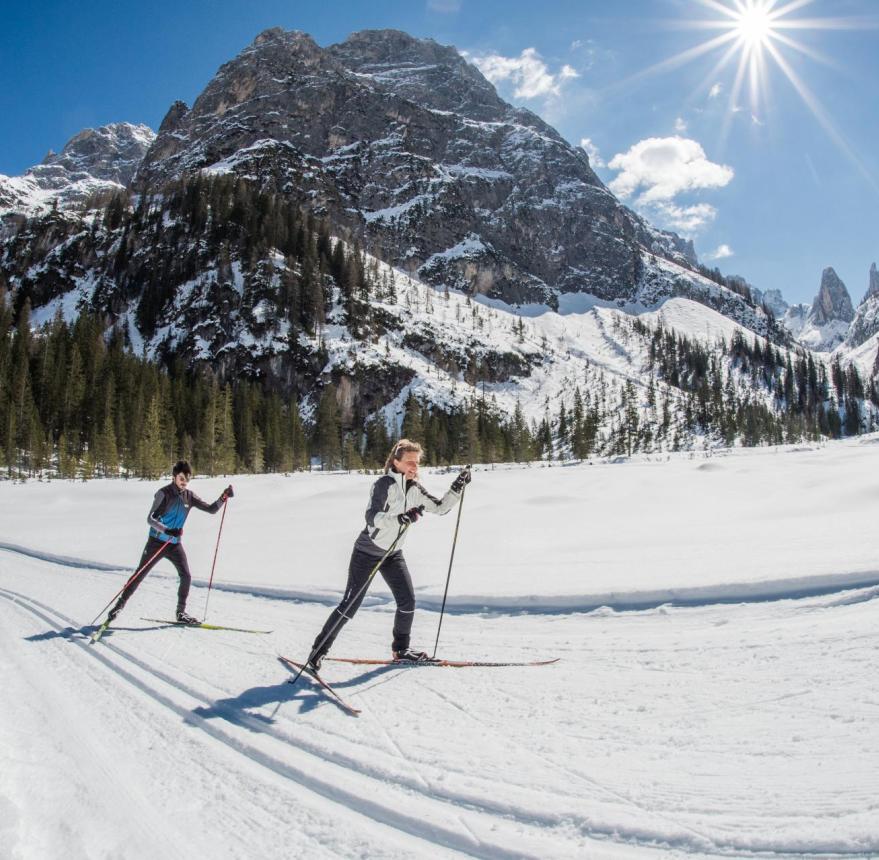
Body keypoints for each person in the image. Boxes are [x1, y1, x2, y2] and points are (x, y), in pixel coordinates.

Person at [308, 439, 471, 669]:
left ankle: (401, 649)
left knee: (407, 601)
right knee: (350, 605)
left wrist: (458, 486)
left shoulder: (415, 489)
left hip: (393, 553)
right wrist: (399, 518)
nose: (414, 467)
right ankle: (318, 651)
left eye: (417, 463)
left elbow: (441, 508)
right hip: (367, 551)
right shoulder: (384, 484)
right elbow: (372, 517)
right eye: (409, 462)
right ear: (396, 462)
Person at [108, 460, 233, 625]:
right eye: (182, 478)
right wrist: (166, 530)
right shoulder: (164, 493)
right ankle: (118, 606)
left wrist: (223, 497)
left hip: (174, 545)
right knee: (139, 575)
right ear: (174, 476)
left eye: (187, 479)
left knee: (186, 576)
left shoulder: (190, 496)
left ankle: (180, 613)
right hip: (156, 543)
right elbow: (150, 518)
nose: (184, 482)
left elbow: (211, 509)